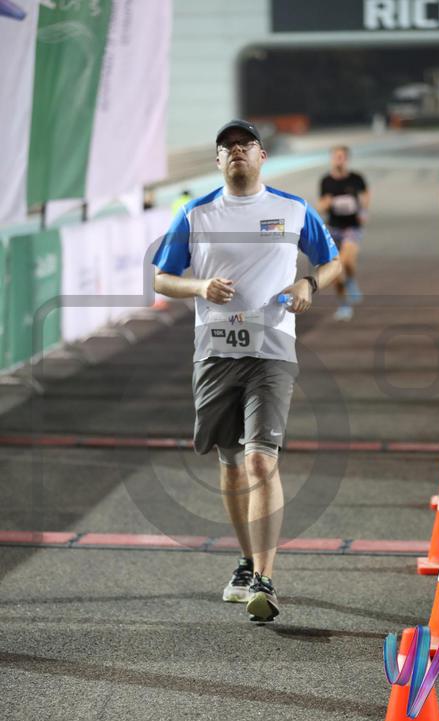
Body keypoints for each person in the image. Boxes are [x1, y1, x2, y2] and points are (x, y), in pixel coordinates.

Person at [153, 120, 341, 622]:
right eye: (227, 147)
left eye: (246, 145)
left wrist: (308, 284)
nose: (237, 151)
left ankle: (264, 578)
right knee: (232, 463)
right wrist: (200, 287)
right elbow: (162, 279)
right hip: (215, 353)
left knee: (261, 461)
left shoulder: (293, 208)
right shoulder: (195, 213)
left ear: (262, 156)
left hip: (272, 350)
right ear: (218, 161)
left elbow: (333, 262)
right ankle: (244, 561)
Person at [318, 146, 370, 321]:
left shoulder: (356, 178)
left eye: (341, 157)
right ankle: (343, 305)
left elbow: (366, 194)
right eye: (336, 157)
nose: (338, 160)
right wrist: (325, 204)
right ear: (332, 159)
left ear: (346, 159)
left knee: (347, 262)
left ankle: (351, 281)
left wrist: (364, 211)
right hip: (333, 228)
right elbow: (321, 205)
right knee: (336, 270)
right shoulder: (326, 181)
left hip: (352, 227)